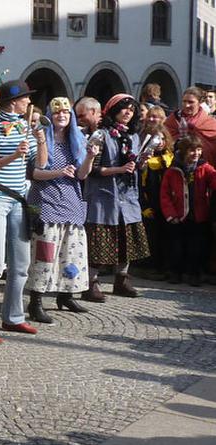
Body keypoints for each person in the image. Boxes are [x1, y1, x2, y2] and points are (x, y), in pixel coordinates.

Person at [0, 80, 48, 345]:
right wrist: (11, 156)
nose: (29, 102)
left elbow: (38, 165)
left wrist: (40, 141)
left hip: (19, 200)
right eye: (26, 98)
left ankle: (14, 316)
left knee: (21, 264)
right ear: (13, 102)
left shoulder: (25, 127)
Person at [25, 97, 96, 323]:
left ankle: (67, 294)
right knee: (44, 255)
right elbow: (37, 172)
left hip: (71, 203)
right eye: (57, 113)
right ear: (50, 116)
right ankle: (36, 301)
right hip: (45, 203)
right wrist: (59, 172)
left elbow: (82, 174)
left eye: (66, 112)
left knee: (71, 253)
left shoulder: (77, 140)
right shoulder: (42, 138)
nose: (62, 115)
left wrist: (91, 157)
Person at [82, 94, 150, 301]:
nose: (128, 112)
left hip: (127, 196)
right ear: (113, 111)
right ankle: (91, 283)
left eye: (131, 109)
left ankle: (122, 279)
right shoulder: (101, 135)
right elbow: (92, 169)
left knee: (126, 239)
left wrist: (142, 162)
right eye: (124, 108)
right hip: (104, 197)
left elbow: (134, 167)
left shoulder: (134, 137)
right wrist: (119, 169)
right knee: (100, 242)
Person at [160, 135, 216, 286]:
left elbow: (214, 180)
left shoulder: (205, 168)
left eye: (199, 150)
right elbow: (165, 194)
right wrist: (170, 215)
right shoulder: (172, 170)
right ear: (184, 151)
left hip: (198, 215)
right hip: (178, 215)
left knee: (197, 248)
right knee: (176, 247)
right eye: (192, 150)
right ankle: (175, 273)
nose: (196, 154)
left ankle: (194, 274)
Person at [137, 106, 174, 281]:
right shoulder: (142, 150)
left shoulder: (170, 158)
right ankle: (148, 267)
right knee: (150, 234)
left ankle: (163, 266)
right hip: (148, 200)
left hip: (166, 201)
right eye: (150, 117)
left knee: (165, 235)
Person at [165, 87, 216, 166]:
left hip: (200, 168)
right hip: (174, 166)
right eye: (184, 101)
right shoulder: (172, 120)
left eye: (191, 102)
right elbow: (165, 140)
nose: (186, 105)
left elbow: (212, 148)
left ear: (200, 103)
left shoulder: (209, 123)